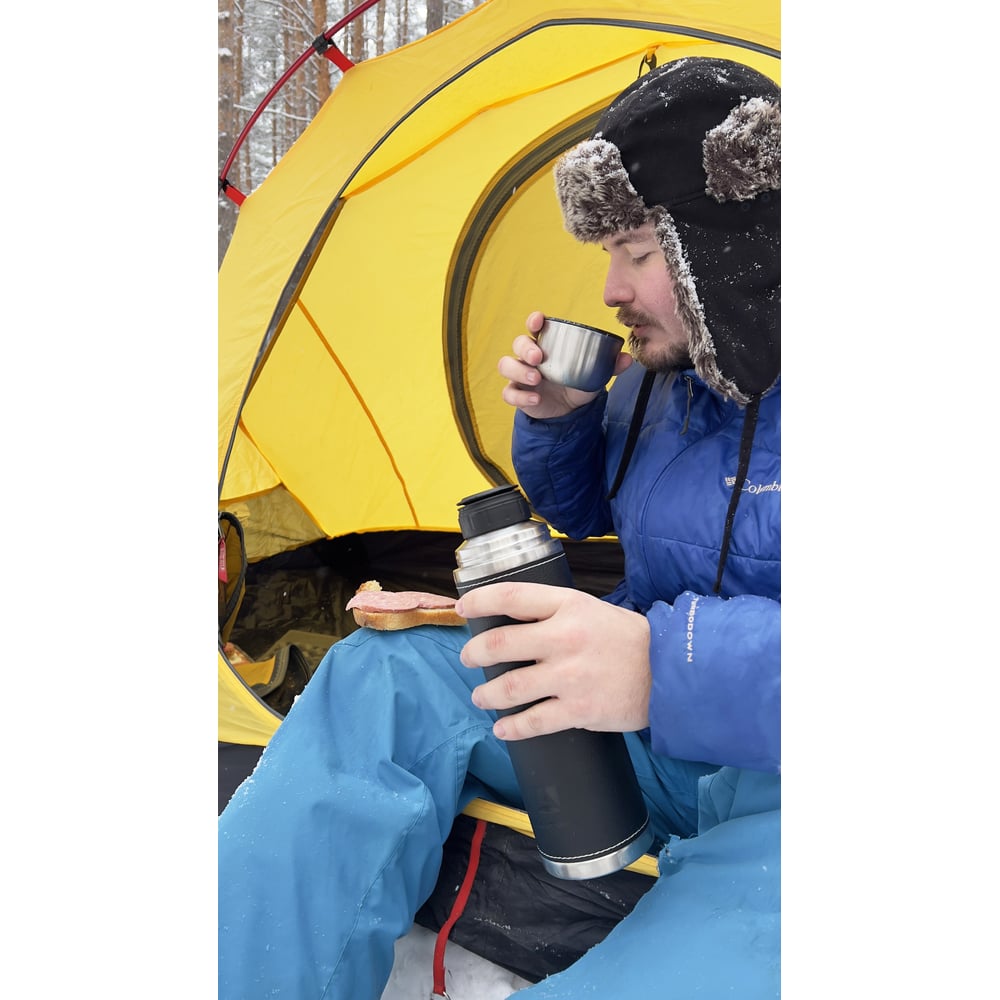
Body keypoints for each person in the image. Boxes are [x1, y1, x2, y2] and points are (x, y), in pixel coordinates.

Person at [219, 55, 781, 998]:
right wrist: (561, 421)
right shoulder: (674, 379)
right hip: (651, 735)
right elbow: (587, 514)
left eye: (638, 253)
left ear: (734, 245)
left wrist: (664, 663)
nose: (610, 288)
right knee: (388, 675)